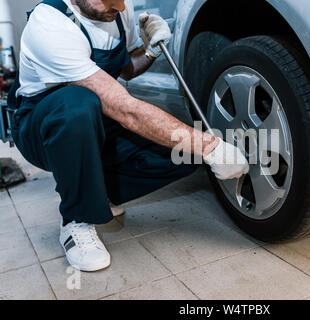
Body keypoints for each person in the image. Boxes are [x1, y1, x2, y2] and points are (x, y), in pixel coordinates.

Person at [10, 0, 249, 272]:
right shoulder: (50, 24)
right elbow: (125, 110)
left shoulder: (118, 11)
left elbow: (127, 69)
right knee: (76, 103)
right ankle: (76, 219)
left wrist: (150, 51)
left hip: (98, 116)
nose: (120, 7)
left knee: (180, 152)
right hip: (42, 126)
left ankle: (96, 193)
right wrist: (209, 145)